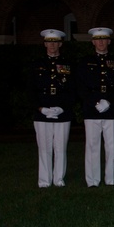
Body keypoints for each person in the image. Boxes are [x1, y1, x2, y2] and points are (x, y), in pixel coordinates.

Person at [28, 28, 76, 188]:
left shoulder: (68, 64)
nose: (52, 45)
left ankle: (58, 179)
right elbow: (31, 89)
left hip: (63, 112)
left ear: (60, 43)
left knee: (60, 147)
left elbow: (73, 89)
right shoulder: (37, 64)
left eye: (55, 42)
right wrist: (40, 108)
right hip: (42, 112)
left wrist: (63, 107)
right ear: (45, 44)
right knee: (44, 148)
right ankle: (44, 180)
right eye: (49, 42)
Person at [77, 27, 114, 187]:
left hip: (111, 108)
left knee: (111, 146)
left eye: (104, 39)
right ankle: (92, 180)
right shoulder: (84, 62)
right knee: (92, 145)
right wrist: (94, 102)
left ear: (109, 41)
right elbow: (80, 86)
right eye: (98, 39)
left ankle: (110, 179)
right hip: (92, 109)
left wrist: (109, 101)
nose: (101, 42)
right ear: (93, 41)